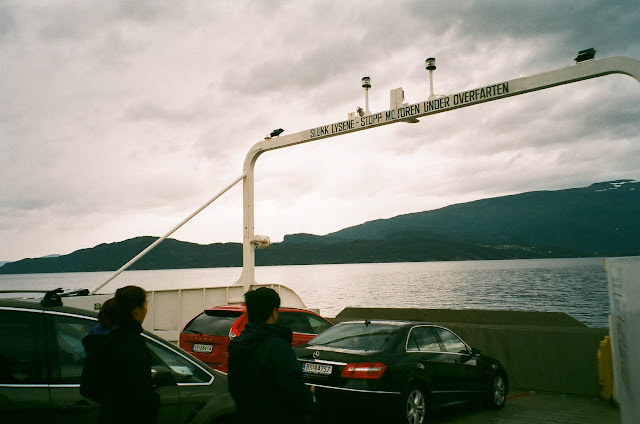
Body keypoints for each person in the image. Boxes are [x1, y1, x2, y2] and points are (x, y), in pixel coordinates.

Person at [228, 287, 315, 423]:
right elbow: (293, 389)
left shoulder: (237, 345)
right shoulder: (278, 347)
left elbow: (233, 387)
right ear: (274, 312)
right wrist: (310, 400)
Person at [87, 285, 160, 424]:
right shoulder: (133, 344)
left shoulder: (101, 341)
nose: (146, 309)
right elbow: (140, 391)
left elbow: (88, 386)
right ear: (136, 311)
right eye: (145, 305)